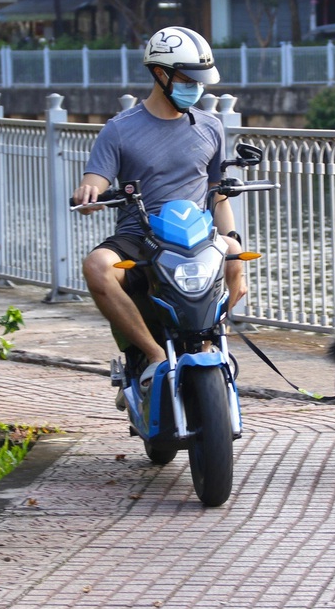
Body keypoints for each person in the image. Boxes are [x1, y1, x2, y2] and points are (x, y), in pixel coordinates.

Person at [71, 25, 245, 405]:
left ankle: (208, 341)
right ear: (159, 74)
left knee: (235, 261)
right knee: (97, 266)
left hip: (196, 233)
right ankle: (151, 358)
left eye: (200, 81)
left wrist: (233, 240)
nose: (196, 88)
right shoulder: (120, 129)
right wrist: (90, 191)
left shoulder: (211, 127)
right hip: (141, 233)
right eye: (187, 79)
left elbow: (218, 194)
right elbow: (95, 176)